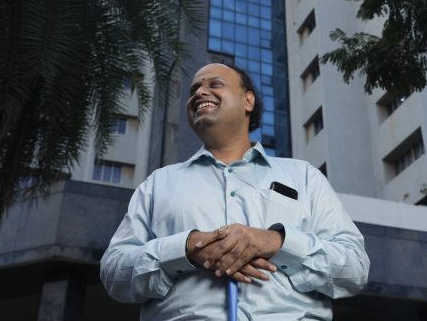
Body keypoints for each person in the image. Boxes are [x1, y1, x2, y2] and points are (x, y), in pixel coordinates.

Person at [100, 63, 369, 320]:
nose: (200, 93)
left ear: (248, 101)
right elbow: (114, 272)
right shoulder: (158, 184)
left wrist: (275, 243)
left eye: (214, 84)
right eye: (194, 90)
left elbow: (354, 269)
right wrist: (187, 248)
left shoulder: (305, 176)